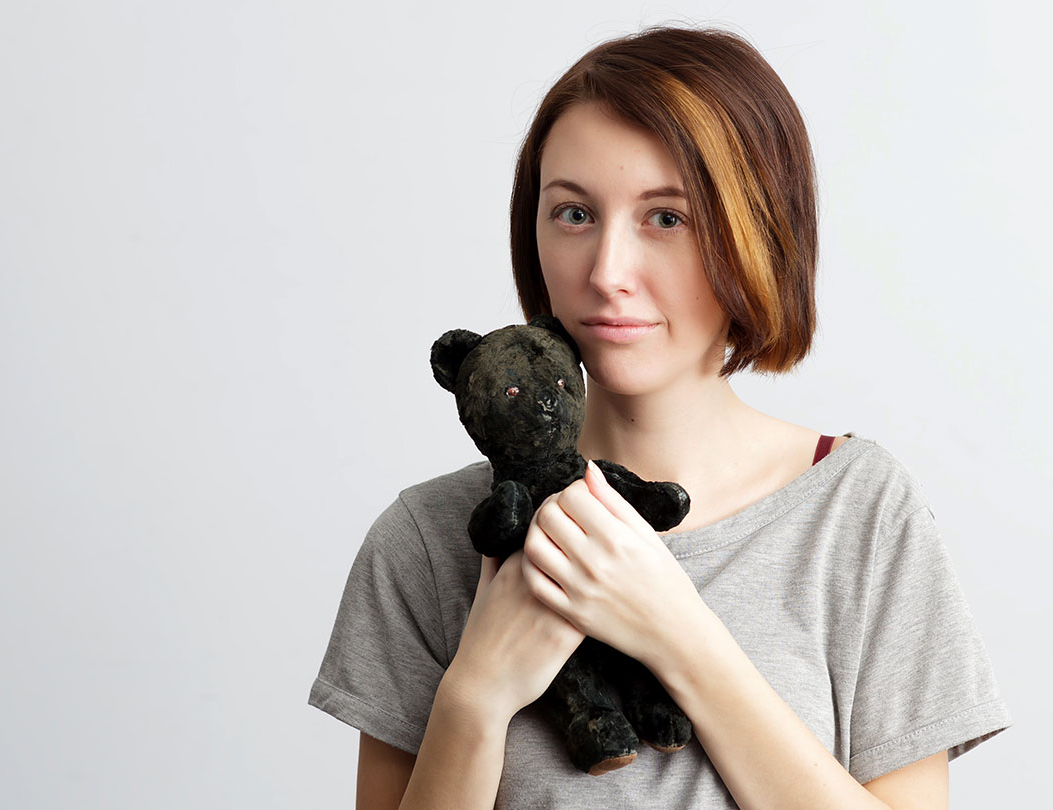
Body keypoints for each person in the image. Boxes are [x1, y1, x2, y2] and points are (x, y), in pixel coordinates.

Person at [309, 25, 1011, 810]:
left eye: (666, 219)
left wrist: (678, 633)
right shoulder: (428, 542)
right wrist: (476, 695)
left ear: (759, 236)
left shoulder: (857, 513)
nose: (607, 272)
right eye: (573, 213)